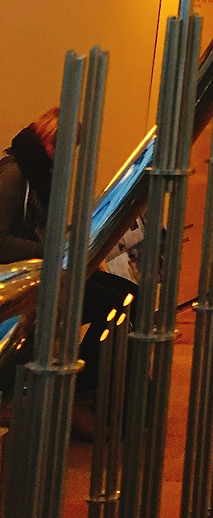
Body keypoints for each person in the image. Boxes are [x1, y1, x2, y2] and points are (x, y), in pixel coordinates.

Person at [0, 107, 132, 438]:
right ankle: (80, 388)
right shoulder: (15, 174)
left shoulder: (37, 174)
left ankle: (94, 386)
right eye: (57, 146)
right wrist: (50, 249)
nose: (61, 156)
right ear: (44, 137)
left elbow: (43, 229)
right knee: (115, 304)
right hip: (31, 277)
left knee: (130, 296)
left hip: (48, 267)